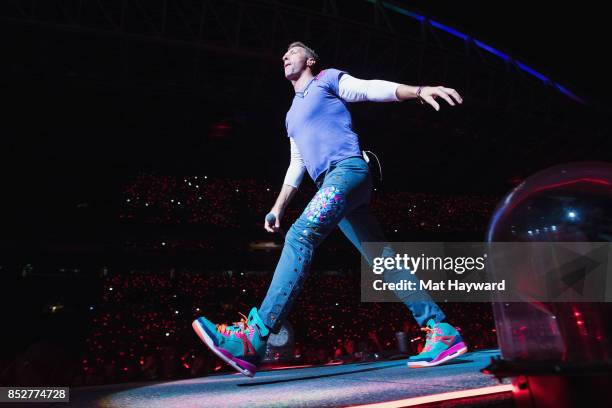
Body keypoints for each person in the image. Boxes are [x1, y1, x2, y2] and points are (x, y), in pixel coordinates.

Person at [192, 41, 467, 377]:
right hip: (332, 185)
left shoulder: (326, 79)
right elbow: (297, 163)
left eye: (291, 53)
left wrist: (418, 91)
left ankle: (254, 338)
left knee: (300, 236)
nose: (284, 57)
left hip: (347, 172)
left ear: (309, 60)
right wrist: (278, 207)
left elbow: (367, 89)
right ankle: (442, 331)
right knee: (381, 259)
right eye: (283, 54)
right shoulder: (292, 115)